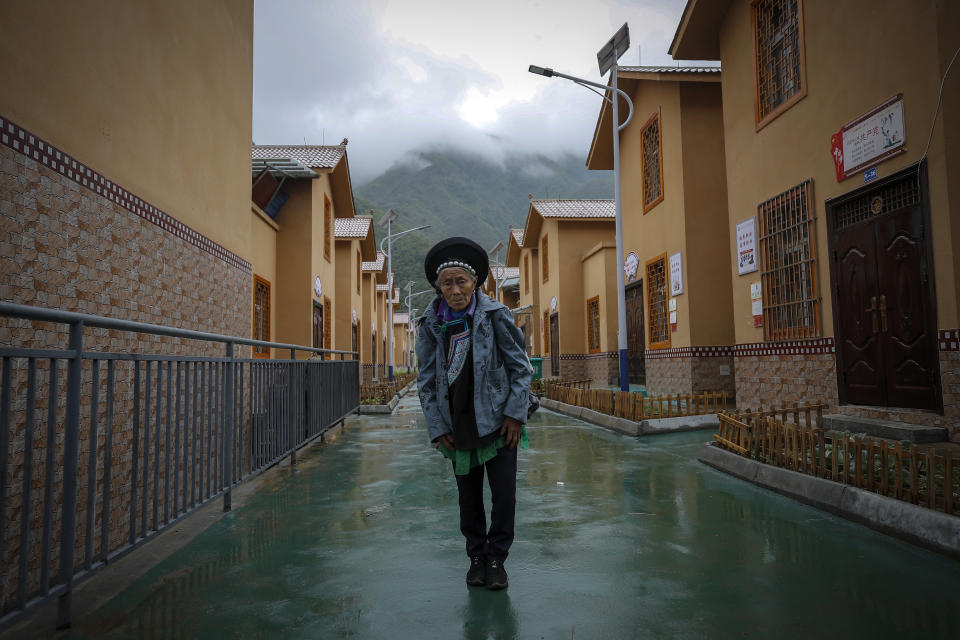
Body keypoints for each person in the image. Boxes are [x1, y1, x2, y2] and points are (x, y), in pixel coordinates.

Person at [416, 237, 531, 590]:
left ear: (475, 283)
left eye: (461, 281)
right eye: (447, 283)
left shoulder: (496, 316)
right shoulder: (430, 324)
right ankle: (477, 557)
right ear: (439, 287)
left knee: (504, 495)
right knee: (469, 500)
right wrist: (437, 427)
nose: (455, 290)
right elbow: (426, 380)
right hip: (457, 424)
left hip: (499, 423)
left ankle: (497, 558)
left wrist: (515, 415)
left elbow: (521, 368)